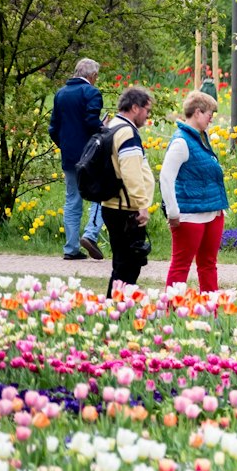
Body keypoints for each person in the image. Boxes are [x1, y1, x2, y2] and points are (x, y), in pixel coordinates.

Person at [160, 90, 230, 292]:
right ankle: (173, 311)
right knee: (181, 265)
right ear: (198, 112)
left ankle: (211, 312)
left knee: (208, 265)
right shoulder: (182, 141)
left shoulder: (202, 138)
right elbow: (166, 177)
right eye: (210, 114)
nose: (211, 119)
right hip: (189, 216)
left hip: (213, 211)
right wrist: (173, 212)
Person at [97, 87, 157, 295]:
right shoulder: (127, 132)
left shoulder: (112, 126)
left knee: (123, 263)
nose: (148, 115)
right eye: (146, 110)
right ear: (134, 107)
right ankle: (117, 312)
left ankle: (116, 310)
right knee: (128, 266)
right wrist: (141, 205)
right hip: (125, 208)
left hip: (113, 204)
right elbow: (131, 172)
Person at [48, 58, 106, 260]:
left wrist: (65, 145)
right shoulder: (91, 93)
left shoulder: (60, 94)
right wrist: (104, 129)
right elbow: (91, 122)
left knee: (72, 200)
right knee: (100, 195)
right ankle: (90, 234)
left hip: (69, 157)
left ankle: (71, 248)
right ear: (93, 76)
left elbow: (53, 129)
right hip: (89, 156)